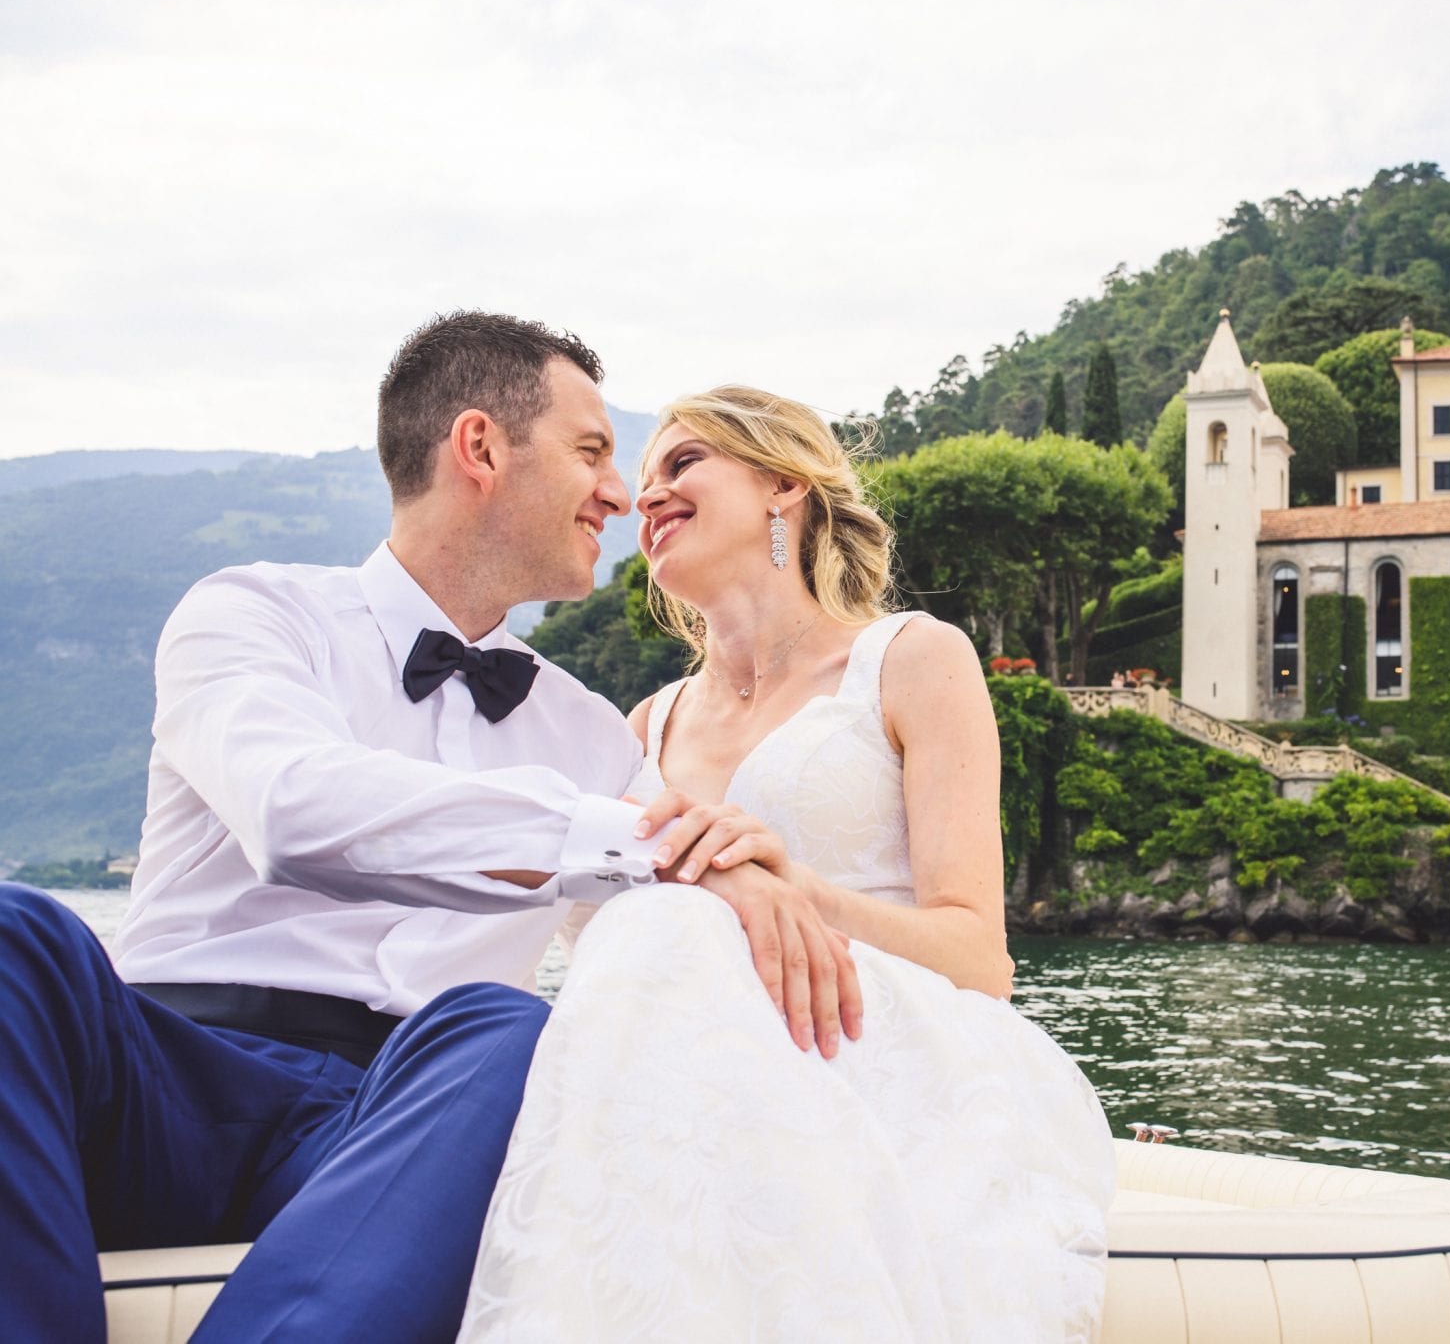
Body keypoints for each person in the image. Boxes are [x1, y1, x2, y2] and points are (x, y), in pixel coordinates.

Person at [0, 314, 856, 1343]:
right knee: (14, 932)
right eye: (592, 450)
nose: (621, 493)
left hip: (403, 1121)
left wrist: (735, 870)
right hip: (164, 1078)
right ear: (481, 447)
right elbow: (290, 805)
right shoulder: (251, 612)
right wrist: (632, 840)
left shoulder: (588, 733)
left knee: (506, 1030)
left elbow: (684, 869)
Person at [459, 387, 1116, 1342]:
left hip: (872, 1042)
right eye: (640, 486)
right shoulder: (644, 727)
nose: (647, 498)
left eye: (681, 464)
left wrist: (796, 892)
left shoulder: (912, 659)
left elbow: (982, 961)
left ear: (782, 484)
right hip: (671, 1073)